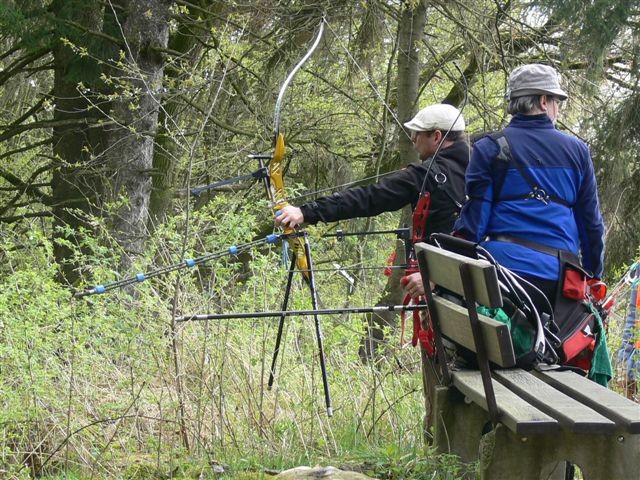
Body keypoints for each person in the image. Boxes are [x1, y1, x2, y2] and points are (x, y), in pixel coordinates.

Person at [275, 103, 469, 295]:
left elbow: (369, 197)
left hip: (448, 289)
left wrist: (305, 212)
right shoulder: (483, 168)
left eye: (417, 133)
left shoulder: (423, 176)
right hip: (478, 280)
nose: (413, 139)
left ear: (436, 136)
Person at [453, 63, 605, 305]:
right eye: (558, 102)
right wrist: (594, 275)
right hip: (559, 277)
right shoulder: (577, 151)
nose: (558, 109)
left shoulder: (490, 147)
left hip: (501, 273)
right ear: (544, 101)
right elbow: (591, 225)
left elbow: (475, 223)